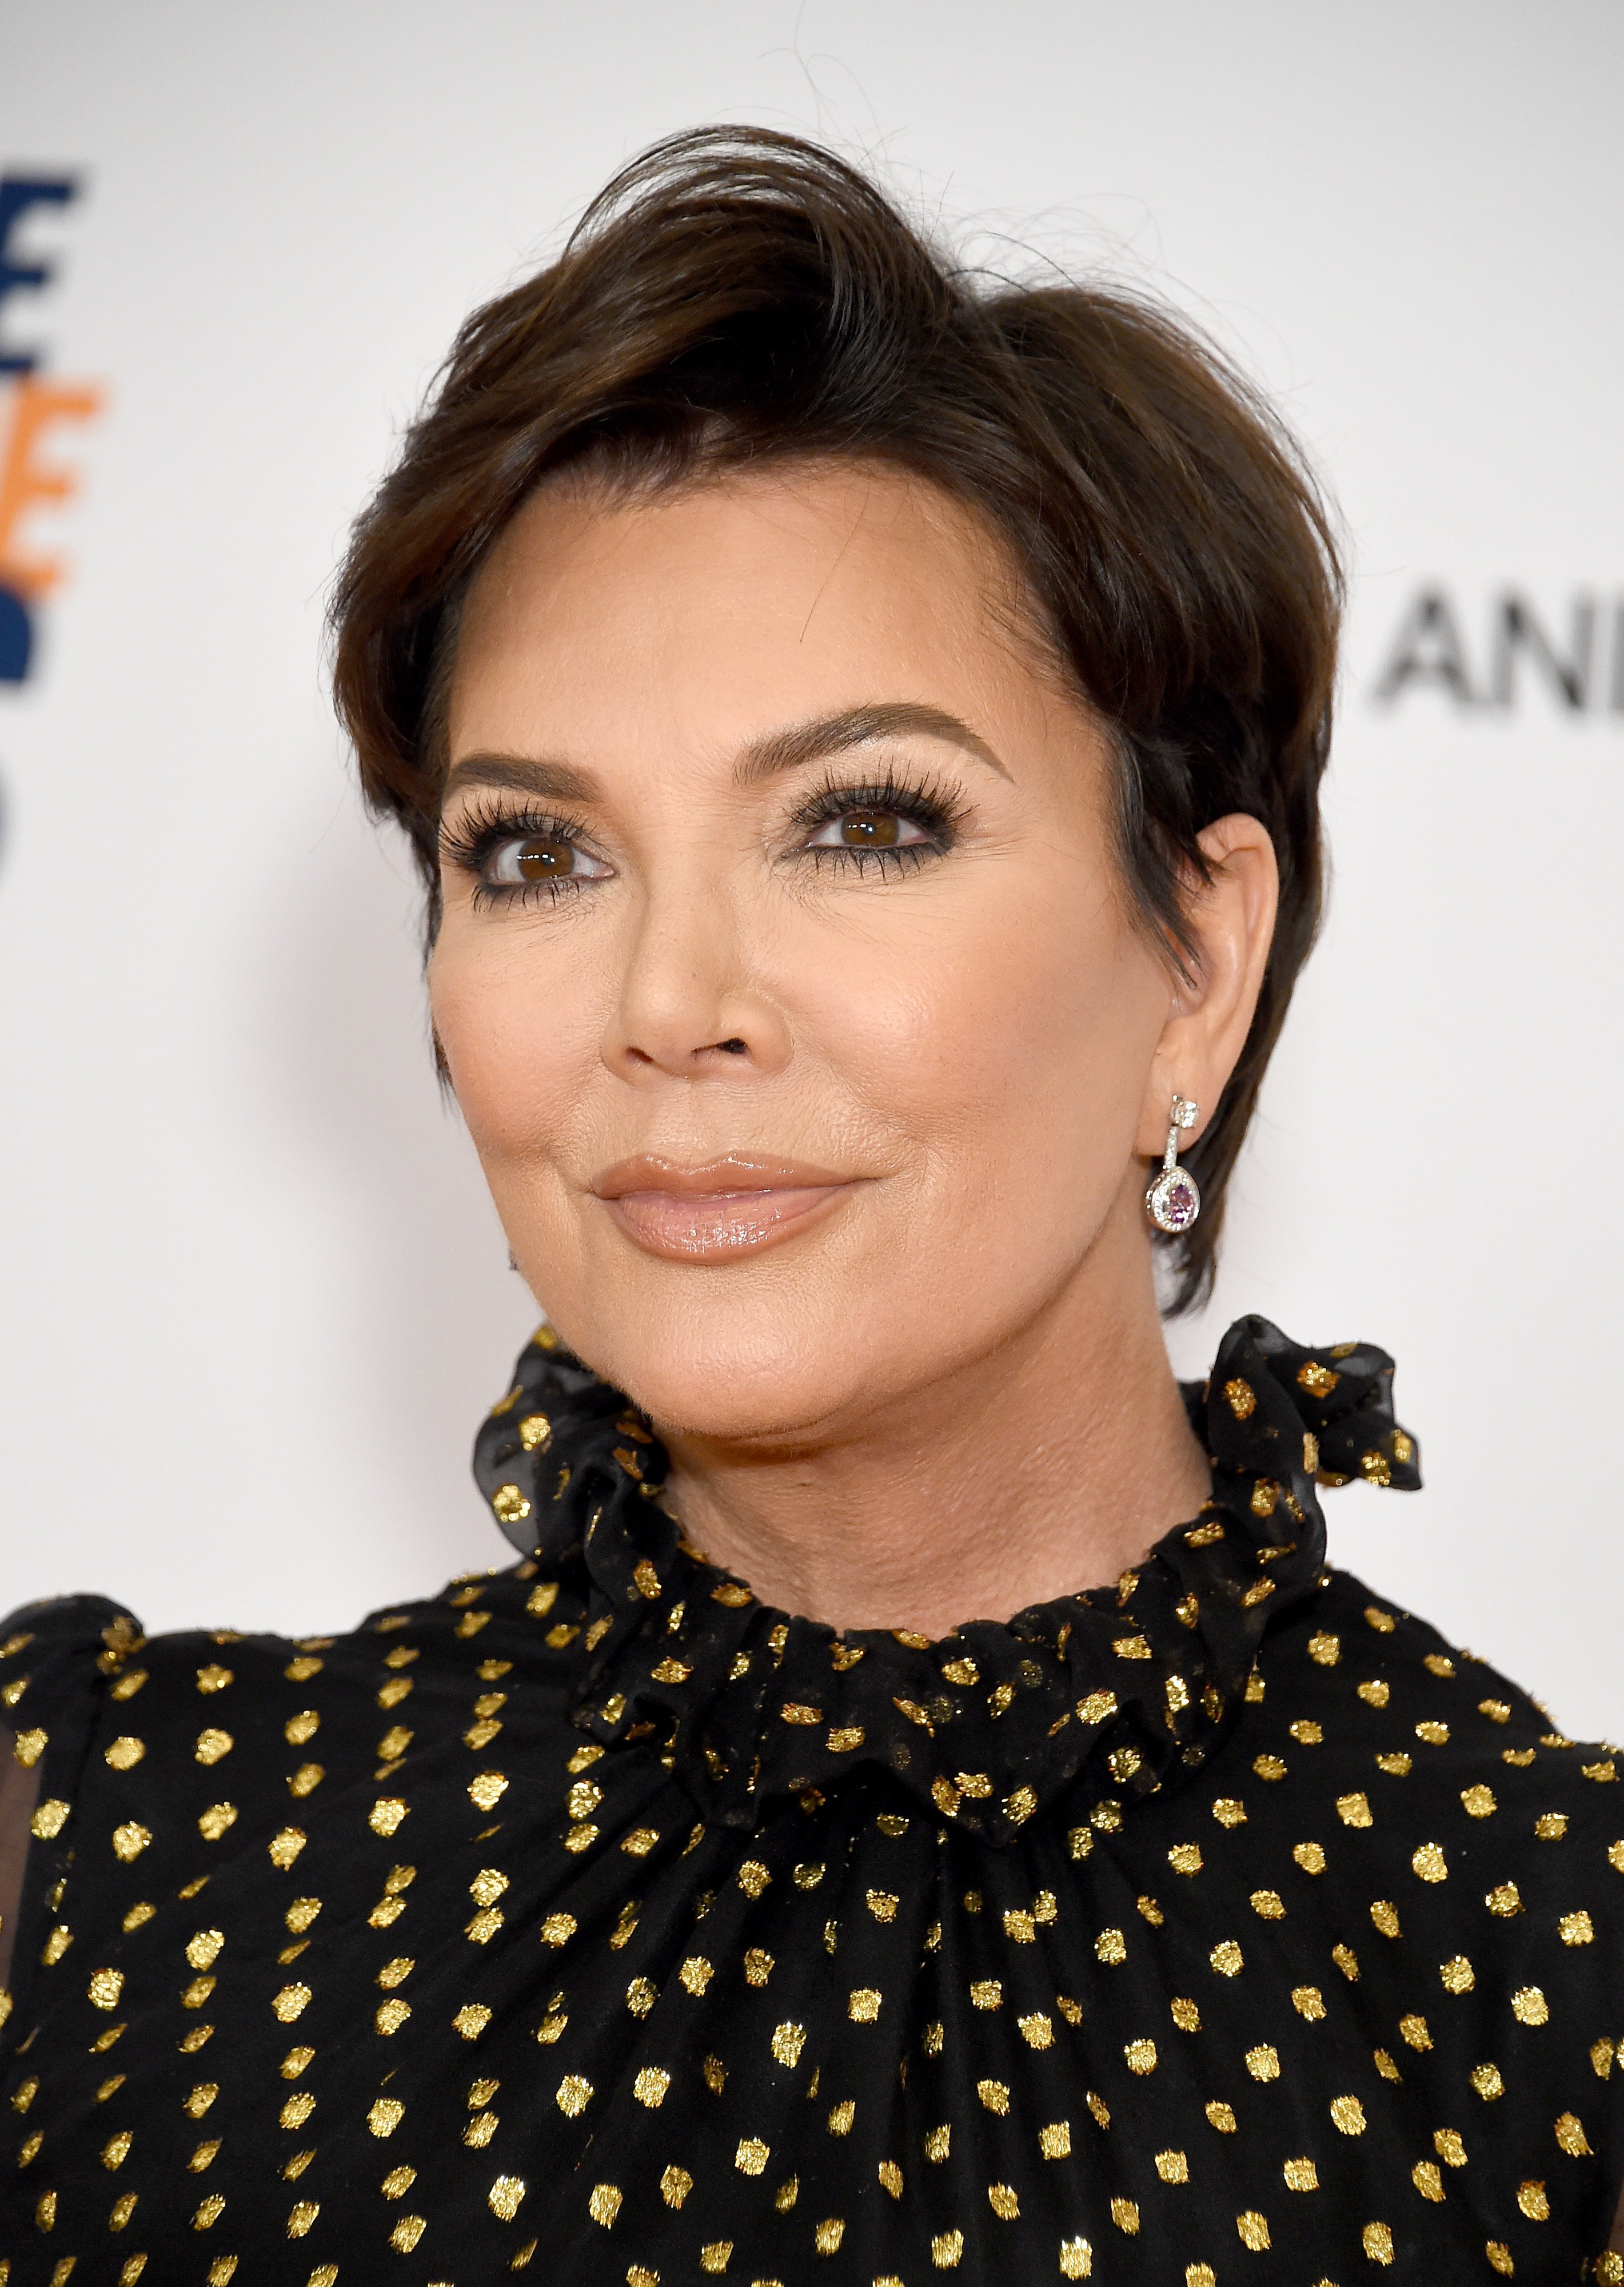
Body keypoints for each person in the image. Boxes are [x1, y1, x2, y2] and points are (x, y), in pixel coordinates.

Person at [1, 126, 1619, 2286]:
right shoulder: (103, 1862)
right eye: (535, 855)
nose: (669, 1006)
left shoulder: (1555, 1986)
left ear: (1197, 964)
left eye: (863, 823)